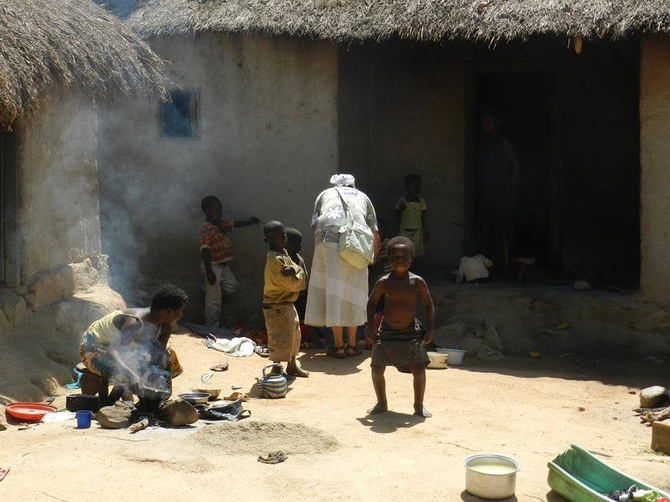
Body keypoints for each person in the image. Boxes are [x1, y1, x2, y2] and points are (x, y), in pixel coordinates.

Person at [305, 173, 379, 359]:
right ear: (353, 185)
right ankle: (352, 345)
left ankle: (338, 346)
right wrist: (373, 257)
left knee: (334, 292)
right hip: (356, 245)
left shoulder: (325, 194)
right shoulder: (363, 197)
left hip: (327, 243)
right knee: (354, 292)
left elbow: (315, 225)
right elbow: (374, 231)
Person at [79, 284, 188, 407]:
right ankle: (110, 403)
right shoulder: (135, 323)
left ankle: (150, 402)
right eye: (180, 311)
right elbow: (113, 351)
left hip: (123, 350)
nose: (181, 315)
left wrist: (153, 375)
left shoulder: (165, 327)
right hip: (94, 348)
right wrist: (132, 374)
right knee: (128, 369)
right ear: (168, 311)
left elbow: (158, 356)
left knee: (167, 356)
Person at [365, 236, 434, 417]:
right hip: (386, 331)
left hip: (411, 332)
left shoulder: (417, 282)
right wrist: (370, 328)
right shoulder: (384, 282)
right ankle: (382, 403)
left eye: (405, 257)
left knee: (418, 370)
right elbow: (371, 303)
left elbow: (428, 305)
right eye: (395, 257)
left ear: (412, 258)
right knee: (377, 369)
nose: (400, 261)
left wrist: (430, 330)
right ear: (389, 260)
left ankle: (418, 405)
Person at [199, 195, 261, 327]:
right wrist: (209, 271)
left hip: (224, 267)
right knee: (213, 301)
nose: (220, 213)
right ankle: (212, 326)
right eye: (217, 210)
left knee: (233, 287)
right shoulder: (207, 229)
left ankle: (208, 289)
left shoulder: (221, 224)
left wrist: (249, 222)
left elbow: (234, 224)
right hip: (213, 266)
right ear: (207, 211)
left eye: (220, 210)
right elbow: (204, 251)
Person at [262, 221, 309, 377]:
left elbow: (296, 275)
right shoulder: (275, 260)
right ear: (284, 238)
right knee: (279, 338)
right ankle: (276, 369)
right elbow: (294, 285)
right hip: (277, 307)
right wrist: (299, 271)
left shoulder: (283, 255)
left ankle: (292, 365)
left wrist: (296, 269)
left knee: (294, 336)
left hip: (286, 304)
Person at [475, 111, 520, 274]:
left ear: (496, 123)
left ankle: (511, 268)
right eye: (483, 123)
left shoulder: (503, 143)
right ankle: (495, 266)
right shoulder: (483, 144)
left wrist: (511, 187)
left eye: (489, 122)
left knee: (506, 228)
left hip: (503, 191)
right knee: (490, 228)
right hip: (488, 191)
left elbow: (515, 165)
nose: (485, 125)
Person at [395, 173, 429, 264]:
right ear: (406, 187)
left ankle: (413, 273)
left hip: (417, 232)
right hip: (404, 232)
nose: (415, 189)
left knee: (414, 255)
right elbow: (396, 217)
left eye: (417, 187)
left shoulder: (421, 202)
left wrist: (425, 231)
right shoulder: (402, 201)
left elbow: (423, 218)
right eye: (412, 186)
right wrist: (401, 209)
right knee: (404, 253)